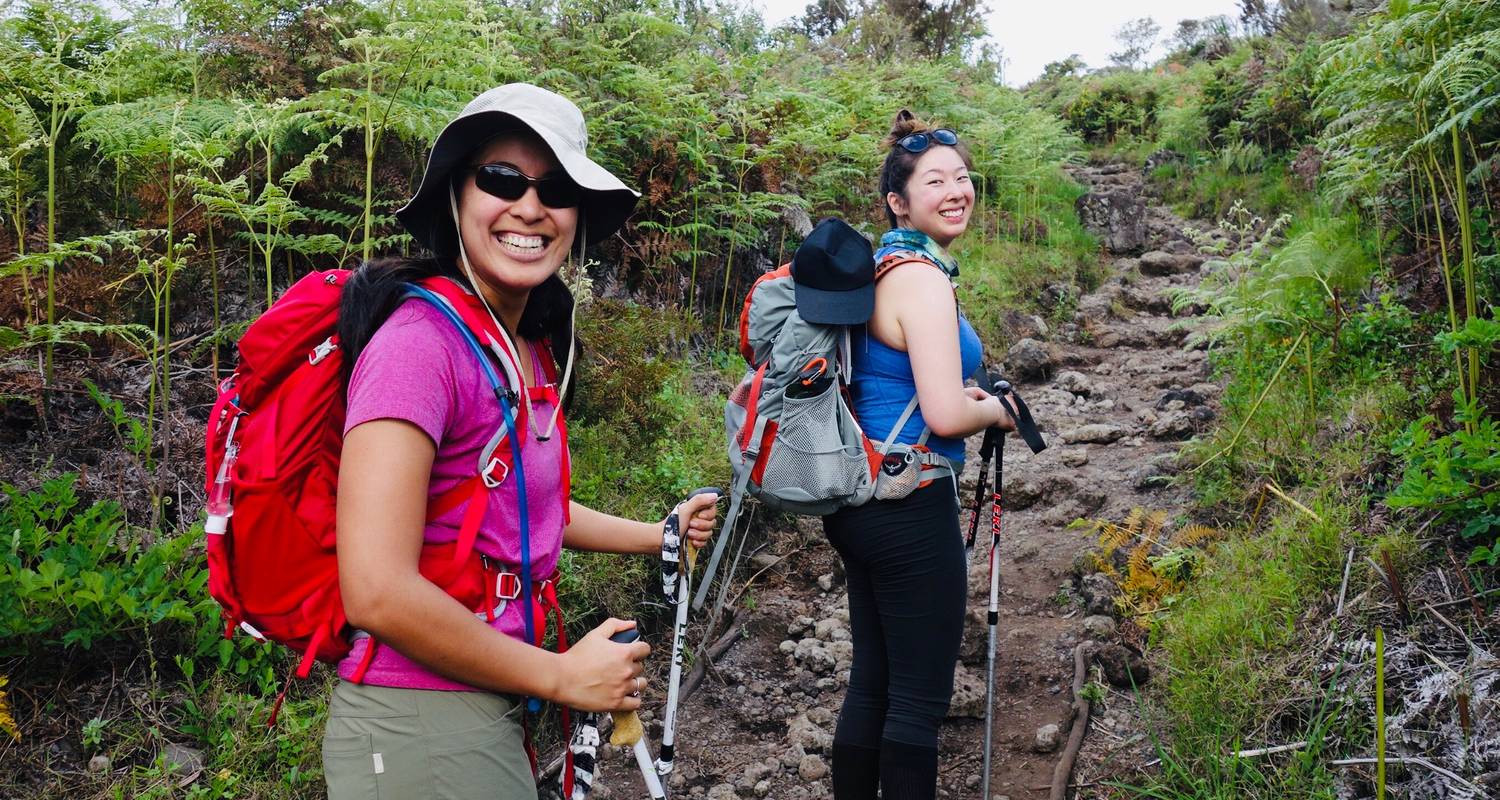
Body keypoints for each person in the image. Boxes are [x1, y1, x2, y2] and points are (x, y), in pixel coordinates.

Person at [322, 83, 718, 800]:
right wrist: (562, 675)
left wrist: (658, 533)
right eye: (502, 179)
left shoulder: (519, 347)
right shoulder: (418, 347)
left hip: (488, 697)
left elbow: (532, 512)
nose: (531, 207)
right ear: (456, 196)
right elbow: (375, 590)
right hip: (418, 721)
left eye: (556, 187)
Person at [822, 110, 1017, 800]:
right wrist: (997, 409)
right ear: (898, 202)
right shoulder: (924, 280)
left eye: (962, 176)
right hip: (910, 502)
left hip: (859, 500)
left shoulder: (880, 268)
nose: (956, 189)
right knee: (917, 700)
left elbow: (898, 383)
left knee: (874, 682)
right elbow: (942, 414)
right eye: (935, 180)